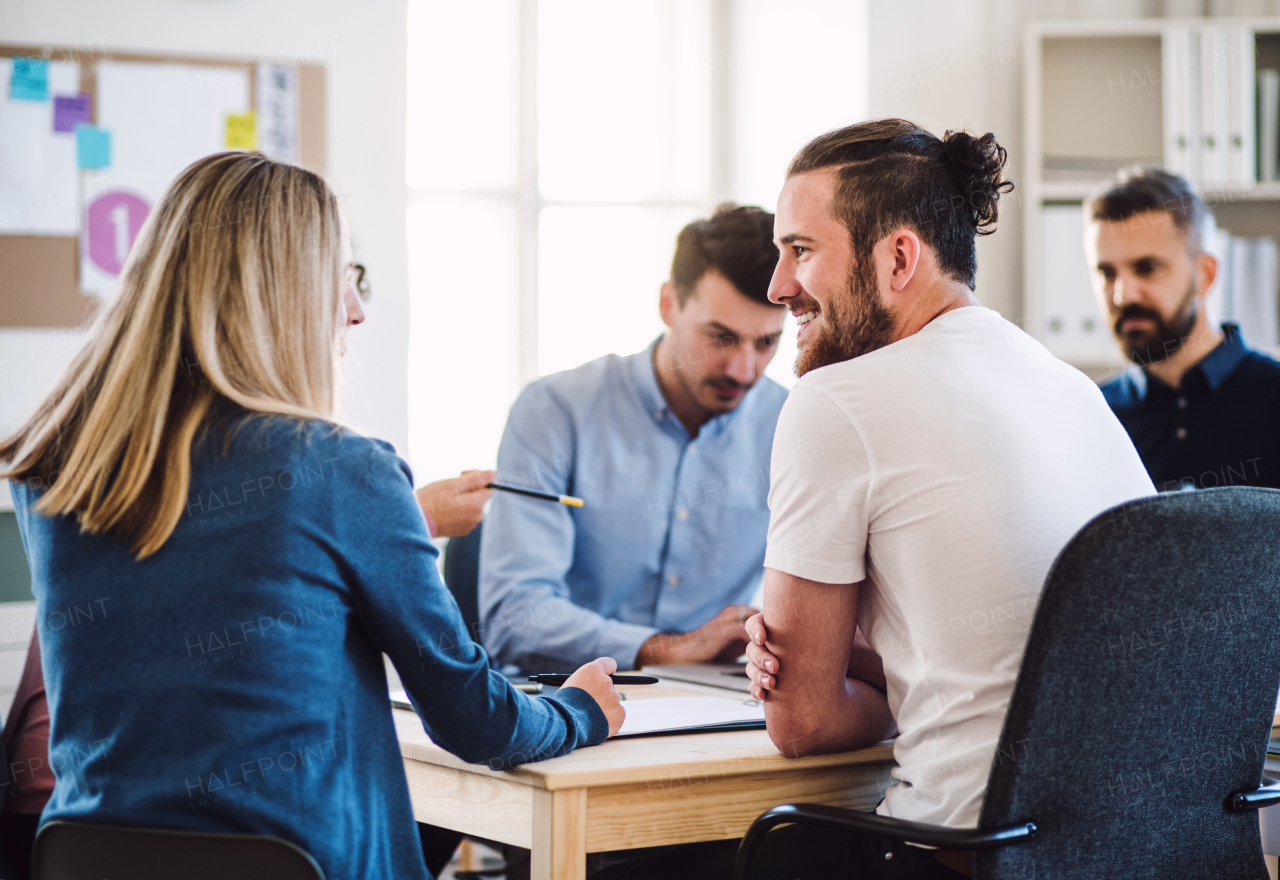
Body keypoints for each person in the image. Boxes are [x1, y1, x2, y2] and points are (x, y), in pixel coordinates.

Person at [0, 151, 622, 880]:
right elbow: (478, 722)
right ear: (285, 292)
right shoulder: (341, 468)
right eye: (345, 279)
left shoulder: (53, 469)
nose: (356, 311)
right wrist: (579, 708)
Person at [597, 119, 1155, 880]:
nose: (778, 287)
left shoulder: (835, 399)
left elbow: (800, 722)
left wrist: (849, 677)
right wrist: (901, 666)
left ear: (898, 257)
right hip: (1137, 849)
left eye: (801, 250)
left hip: (963, 859)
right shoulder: (1072, 389)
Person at [479, 204, 788, 672]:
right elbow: (514, 618)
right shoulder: (555, 410)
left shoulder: (790, 425)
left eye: (766, 342)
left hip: (713, 703)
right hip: (564, 704)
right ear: (668, 304)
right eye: (721, 338)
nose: (743, 370)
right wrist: (671, 649)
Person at [1085, 167, 1280, 491]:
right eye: (1107, 273)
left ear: (1205, 275)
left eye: (1146, 268)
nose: (1123, 295)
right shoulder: (1093, 416)